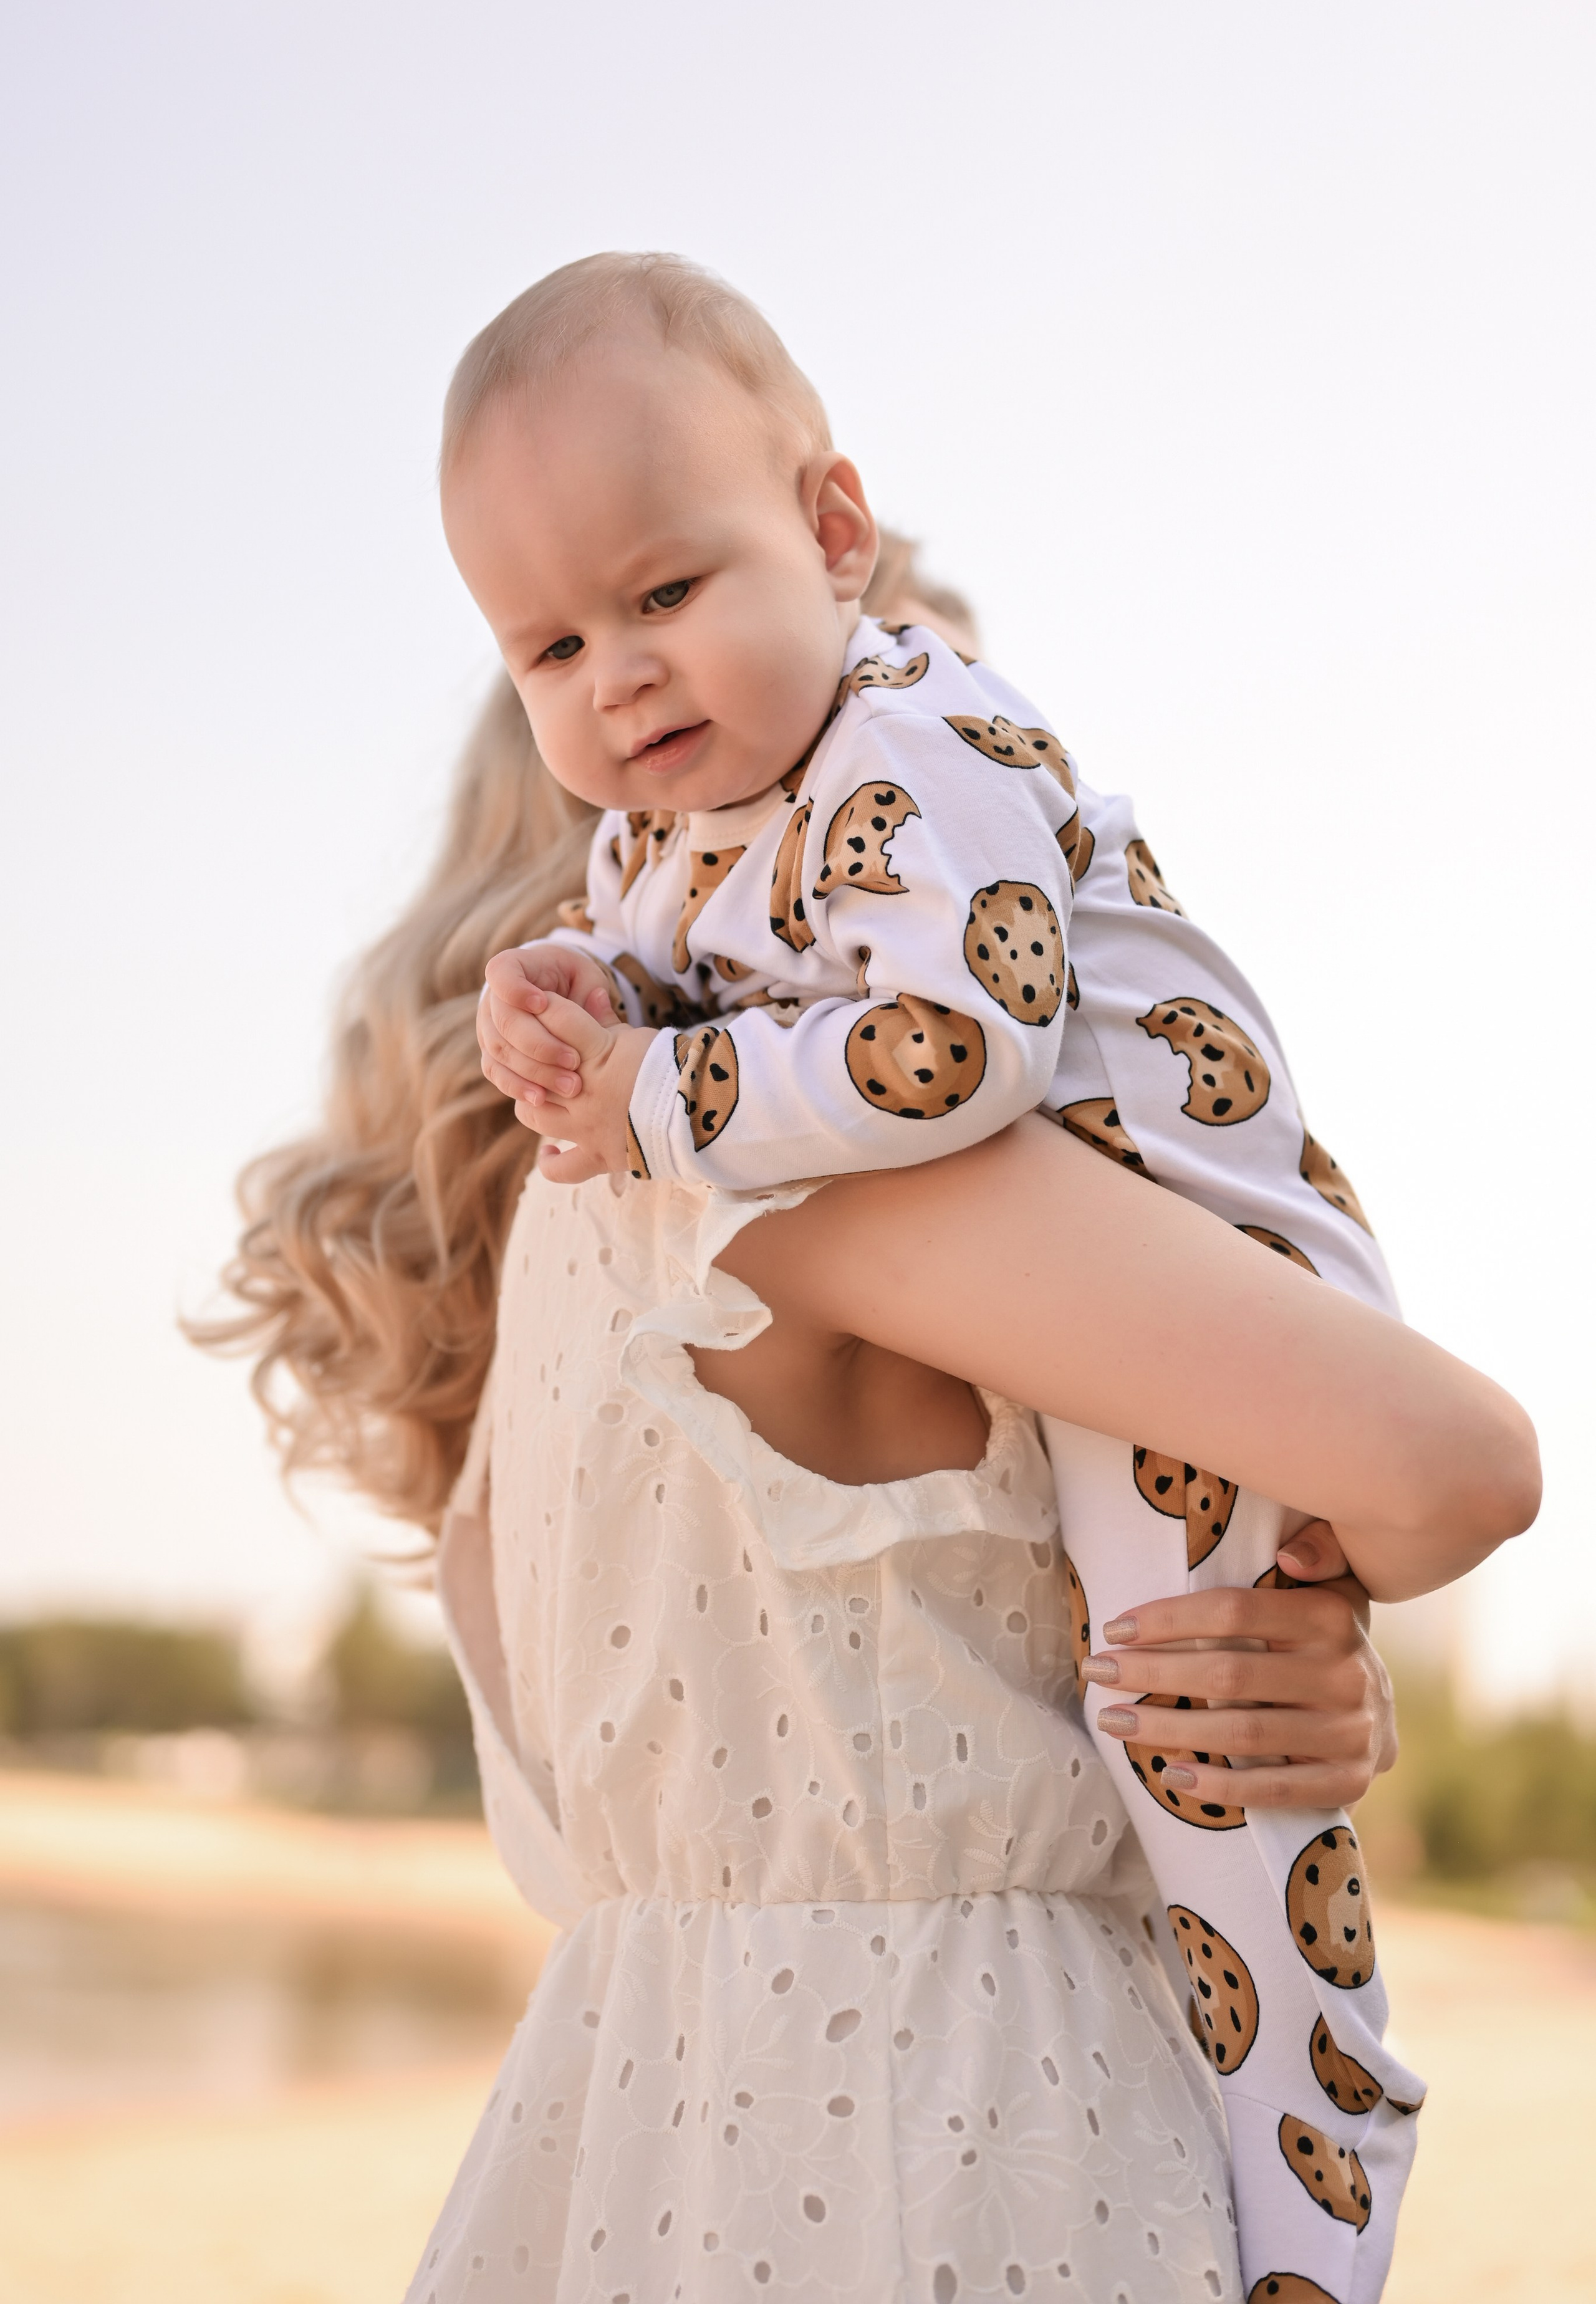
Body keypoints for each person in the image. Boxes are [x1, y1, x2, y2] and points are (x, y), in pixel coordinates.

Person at [195, 352, 1537, 2304]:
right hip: (969, 2139)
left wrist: (1272, 1655)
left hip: (628, 2164)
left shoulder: (532, 1340)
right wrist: (1326, 1592)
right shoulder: (804, 1173)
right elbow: (1459, 1461)